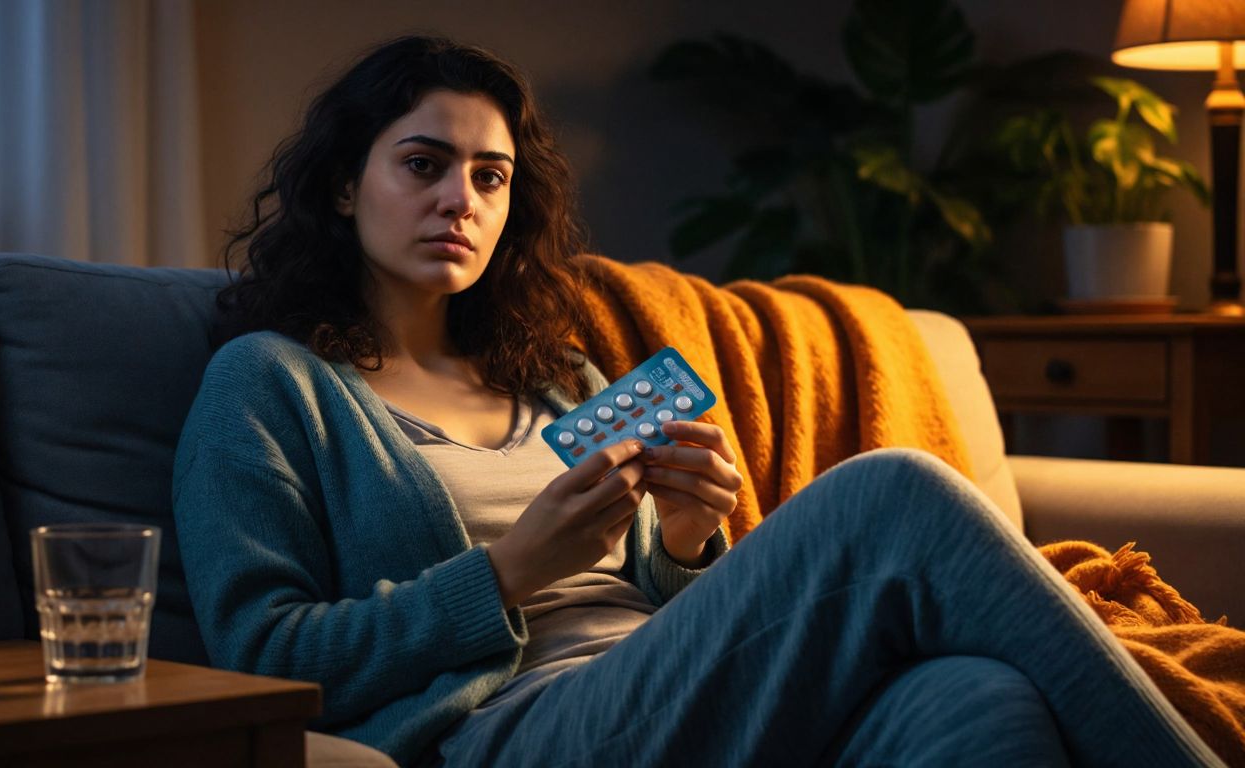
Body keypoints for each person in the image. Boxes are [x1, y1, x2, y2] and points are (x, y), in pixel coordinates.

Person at [172, 36, 1221, 768]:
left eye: (492, 177)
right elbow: (264, 658)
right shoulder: (270, 385)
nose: (462, 199)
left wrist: (683, 541)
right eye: (423, 163)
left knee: (977, 701)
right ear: (346, 186)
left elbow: (661, 603)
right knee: (892, 493)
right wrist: (505, 572)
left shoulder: (559, 376)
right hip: (511, 732)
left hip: (675, 696)